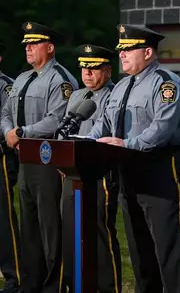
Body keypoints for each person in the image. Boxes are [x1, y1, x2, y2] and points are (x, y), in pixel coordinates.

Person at [88, 24, 180, 293]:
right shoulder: (121, 86)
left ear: (148, 52)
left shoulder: (166, 83)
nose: (121, 54)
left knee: (170, 251)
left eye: (128, 49)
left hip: (163, 171)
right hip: (129, 172)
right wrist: (85, 144)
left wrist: (125, 144)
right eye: (121, 50)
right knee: (139, 249)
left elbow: (161, 129)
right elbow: (103, 124)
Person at [0, 22, 78, 293]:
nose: (28, 48)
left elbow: (57, 119)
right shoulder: (21, 78)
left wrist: (22, 133)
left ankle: (53, 285)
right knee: (29, 226)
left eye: (34, 43)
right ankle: (31, 283)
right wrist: (8, 130)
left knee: (50, 226)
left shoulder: (61, 79)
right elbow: (5, 111)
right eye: (26, 44)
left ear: (50, 47)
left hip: (48, 160)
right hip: (25, 160)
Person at [60, 44, 121, 293]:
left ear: (107, 70)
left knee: (99, 233)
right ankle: (77, 285)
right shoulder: (76, 96)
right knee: (71, 230)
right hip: (72, 173)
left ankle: (108, 287)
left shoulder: (114, 94)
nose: (87, 73)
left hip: (100, 174)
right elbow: (65, 132)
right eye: (84, 67)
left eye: (93, 68)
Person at [0, 41, 19, 293]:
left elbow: (9, 120)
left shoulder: (7, 86)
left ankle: (13, 275)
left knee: (3, 219)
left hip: (1, 156)